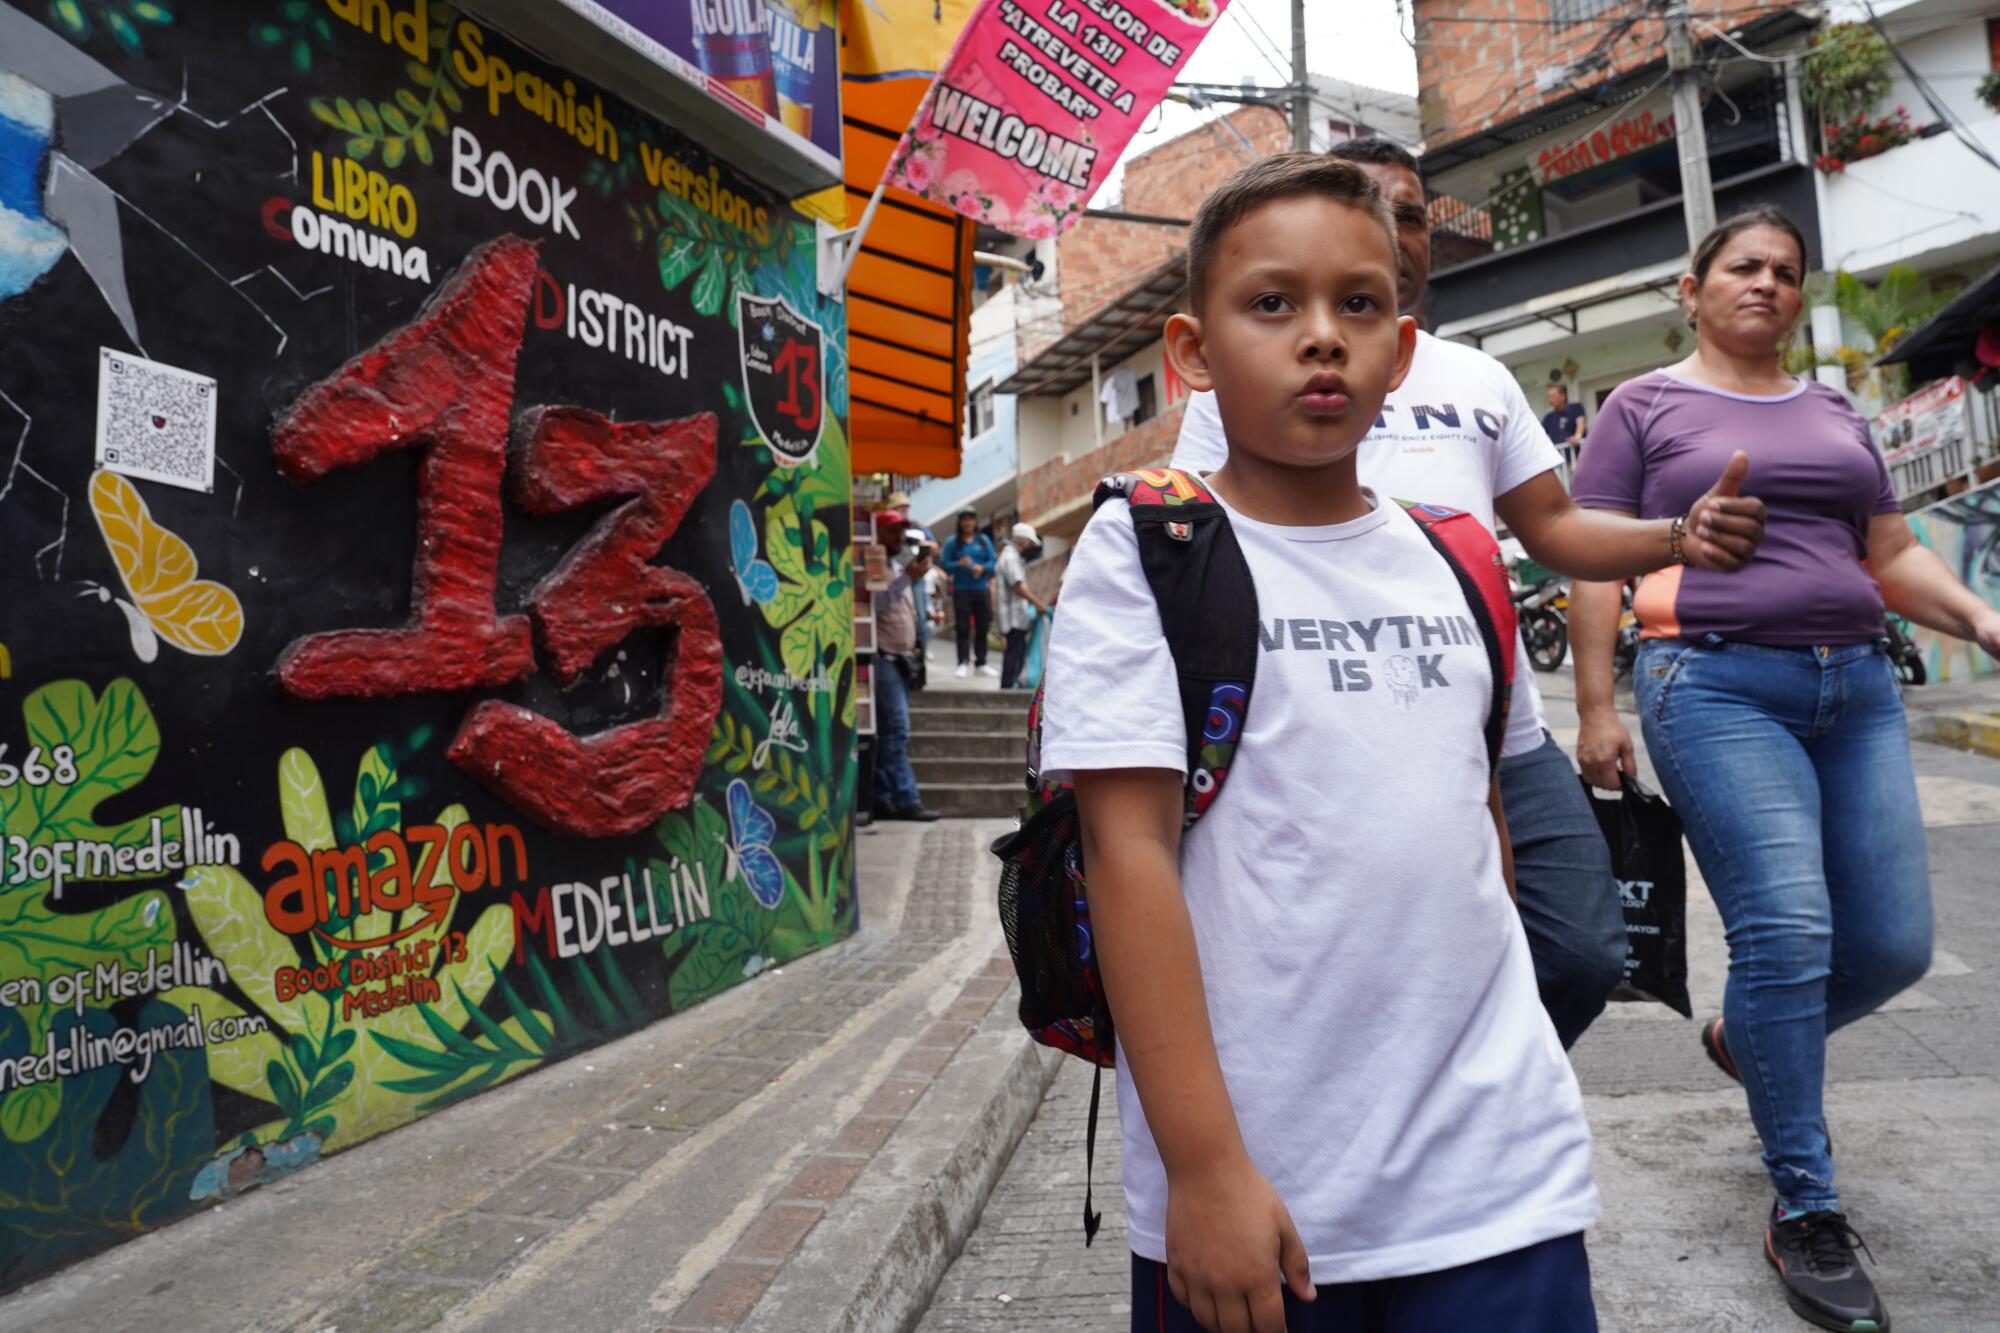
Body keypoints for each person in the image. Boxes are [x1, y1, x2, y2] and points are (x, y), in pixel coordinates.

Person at [1045, 152, 1602, 1333]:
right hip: (1260, 1196)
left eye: (1357, 304)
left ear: (1399, 352)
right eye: (1271, 303)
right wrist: (1201, 1171)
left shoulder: (1458, 555)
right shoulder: (1148, 549)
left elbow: (1476, 828)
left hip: (1501, 1178)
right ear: (1190, 353)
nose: (1320, 338)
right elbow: (1125, 853)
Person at [1172, 135, 1768, 1050]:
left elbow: (1555, 528)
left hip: (1497, 725)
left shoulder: (1477, 379)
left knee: (1578, 949)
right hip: (1323, 714)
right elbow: (1207, 536)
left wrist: (1678, 536)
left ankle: (1476, 1092)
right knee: (1367, 952)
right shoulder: (1251, 370)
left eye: (1408, 212)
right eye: (1368, 201)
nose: (1391, 224)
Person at [1568, 205, 2000, 1333]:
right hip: (1709, 686)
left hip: (1852, 688)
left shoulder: (1828, 410)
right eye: (1742, 266)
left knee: (1896, 945)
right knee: (1785, 934)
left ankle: (1738, 1037)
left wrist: (1980, 616)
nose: (1765, 282)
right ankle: (1804, 1204)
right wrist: (1595, 705)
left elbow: (1889, 552)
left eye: (1784, 272)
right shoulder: (1641, 406)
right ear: (1691, 284)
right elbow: (1589, 557)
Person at [871, 537, 940, 822]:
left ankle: (884, 797)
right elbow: (873, 603)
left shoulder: (901, 572)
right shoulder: (878, 569)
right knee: (897, 729)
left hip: (901, 659)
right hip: (884, 657)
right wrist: (906, 580)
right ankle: (905, 798)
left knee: (891, 732)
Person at [940, 508, 998, 678]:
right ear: (960, 522)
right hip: (962, 590)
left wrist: (983, 568)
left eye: (971, 519)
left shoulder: (983, 540)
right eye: (964, 520)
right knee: (962, 627)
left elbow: (993, 562)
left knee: (983, 626)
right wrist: (959, 563)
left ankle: (981, 662)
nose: (968, 523)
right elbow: (944, 564)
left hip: (982, 589)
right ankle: (962, 662)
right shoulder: (952, 542)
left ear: (975, 522)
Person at [995, 521, 1049, 688]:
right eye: (1030, 542)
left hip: (1016, 615)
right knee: (1013, 654)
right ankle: (1007, 689)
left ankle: (1009, 687)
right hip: (1013, 617)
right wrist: (1037, 603)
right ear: (1022, 540)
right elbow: (1017, 587)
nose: (1030, 546)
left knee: (1015, 654)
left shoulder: (1012, 557)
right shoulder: (1010, 557)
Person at [1543, 383, 1587, 448]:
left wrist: (1577, 436)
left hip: (1577, 454)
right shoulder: (1548, 418)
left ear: (1563, 396)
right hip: (1560, 456)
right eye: (1549, 397)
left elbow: (1581, 422)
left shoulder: (1575, 408)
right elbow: (1541, 435)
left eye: (1553, 396)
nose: (1550, 400)